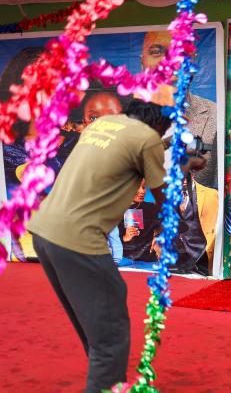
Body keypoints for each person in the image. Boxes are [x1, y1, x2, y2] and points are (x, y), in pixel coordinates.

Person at [27, 100, 204, 392]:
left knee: (96, 325)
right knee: (110, 333)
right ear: (157, 126)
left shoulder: (100, 126)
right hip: (79, 239)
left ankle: (104, 379)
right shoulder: (147, 138)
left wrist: (181, 162)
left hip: (45, 234)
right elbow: (165, 202)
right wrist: (186, 174)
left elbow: (128, 159)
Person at [141, 30, 219, 273]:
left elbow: (216, 180)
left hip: (200, 242)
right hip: (145, 243)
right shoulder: (134, 118)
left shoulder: (215, 114)